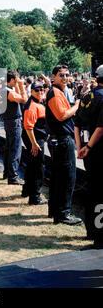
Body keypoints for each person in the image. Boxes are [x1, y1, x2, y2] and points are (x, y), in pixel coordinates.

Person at [46, 64, 82, 225]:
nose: (65, 78)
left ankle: (55, 211)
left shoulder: (58, 91)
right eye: (61, 75)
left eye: (67, 75)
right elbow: (61, 116)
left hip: (59, 139)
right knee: (67, 177)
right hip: (61, 139)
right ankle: (63, 213)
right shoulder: (54, 92)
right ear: (53, 76)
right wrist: (76, 106)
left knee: (58, 176)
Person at [74, 64, 103, 248]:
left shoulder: (86, 95)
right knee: (101, 194)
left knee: (92, 190)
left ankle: (91, 231)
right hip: (99, 151)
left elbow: (76, 123)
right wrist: (90, 147)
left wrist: (80, 147)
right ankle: (100, 236)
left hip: (88, 152)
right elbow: (101, 128)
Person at [22, 81, 48, 205]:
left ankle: (27, 190)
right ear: (31, 91)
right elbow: (28, 127)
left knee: (32, 165)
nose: (40, 92)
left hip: (35, 138)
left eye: (41, 90)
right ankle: (35, 197)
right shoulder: (32, 106)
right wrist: (34, 143)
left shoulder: (38, 102)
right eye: (36, 90)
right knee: (38, 167)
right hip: (35, 139)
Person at [1, 71, 27, 185]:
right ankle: (13, 177)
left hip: (8, 121)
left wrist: (16, 85)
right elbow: (24, 99)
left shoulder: (4, 90)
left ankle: (7, 172)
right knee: (15, 149)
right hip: (13, 122)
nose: (18, 80)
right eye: (16, 79)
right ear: (12, 80)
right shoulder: (8, 92)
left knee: (9, 147)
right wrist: (21, 86)